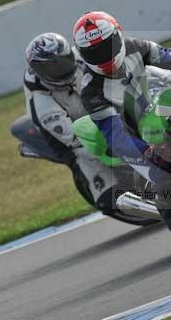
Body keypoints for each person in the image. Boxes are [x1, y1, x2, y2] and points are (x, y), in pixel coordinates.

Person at [73, 11, 171, 232]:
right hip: (134, 134)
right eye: (94, 53)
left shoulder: (135, 47)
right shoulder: (91, 90)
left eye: (106, 47)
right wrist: (147, 151)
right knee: (164, 176)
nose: (102, 56)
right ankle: (166, 205)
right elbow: (116, 134)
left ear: (118, 35)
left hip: (157, 106)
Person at [23, 32, 117, 211]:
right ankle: (104, 190)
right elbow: (71, 136)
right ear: (39, 70)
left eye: (64, 60)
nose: (61, 69)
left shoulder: (83, 59)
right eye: (52, 67)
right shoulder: (40, 98)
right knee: (85, 154)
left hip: (96, 110)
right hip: (69, 135)